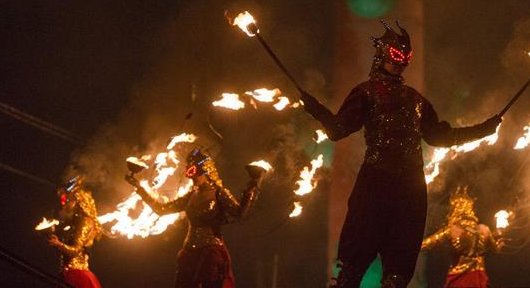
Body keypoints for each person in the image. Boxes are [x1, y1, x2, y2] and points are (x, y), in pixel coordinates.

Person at [300, 19, 502, 288]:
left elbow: (440, 137)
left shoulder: (415, 100)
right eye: (395, 59)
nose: (399, 65)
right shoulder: (365, 93)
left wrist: (484, 130)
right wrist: (316, 109)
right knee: (352, 268)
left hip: (410, 189)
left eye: (403, 60)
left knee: (397, 273)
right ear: (381, 56)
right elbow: (338, 130)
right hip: (376, 183)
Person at [125, 147, 260, 288]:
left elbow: (240, 214)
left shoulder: (219, 193)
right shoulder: (191, 196)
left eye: (195, 174)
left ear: (206, 172)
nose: (192, 178)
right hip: (189, 253)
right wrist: (138, 188)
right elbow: (161, 209)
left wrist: (252, 187)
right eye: (190, 174)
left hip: (210, 254)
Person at [421, 186, 504, 288]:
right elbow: (495, 249)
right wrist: (499, 241)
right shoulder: (484, 229)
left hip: (459, 278)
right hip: (478, 277)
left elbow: (427, 244)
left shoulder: (452, 229)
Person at [46, 176, 103, 288]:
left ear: (78, 202)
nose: (65, 203)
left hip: (77, 276)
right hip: (71, 273)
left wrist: (59, 244)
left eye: (69, 200)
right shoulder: (77, 221)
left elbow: (76, 250)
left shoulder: (84, 222)